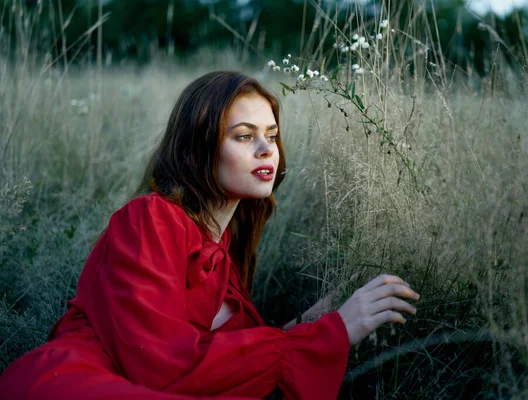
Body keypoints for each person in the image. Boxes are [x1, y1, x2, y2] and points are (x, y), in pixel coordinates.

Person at [0, 71, 420, 399]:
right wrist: (331, 333)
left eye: (271, 136)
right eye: (244, 136)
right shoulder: (150, 218)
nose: (266, 150)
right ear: (198, 147)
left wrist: (322, 321)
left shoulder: (228, 257)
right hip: (73, 381)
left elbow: (228, 364)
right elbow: (161, 363)